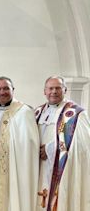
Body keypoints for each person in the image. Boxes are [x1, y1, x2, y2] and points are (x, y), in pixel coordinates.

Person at [35, 76, 90, 211]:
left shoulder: (76, 114)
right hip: (39, 166)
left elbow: (82, 143)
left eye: (58, 88)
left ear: (64, 90)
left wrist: (49, 149)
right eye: (50, 88)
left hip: (61, 167)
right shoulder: (37, 112)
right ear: (44, 91)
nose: (54, 91)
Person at [0, 76, 39, 211]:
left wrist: (2, 146)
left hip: (13, 167)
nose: (1, 92)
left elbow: (29, 144)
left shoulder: (23, 112)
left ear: (13, 90)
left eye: (5, 88)